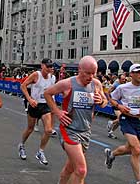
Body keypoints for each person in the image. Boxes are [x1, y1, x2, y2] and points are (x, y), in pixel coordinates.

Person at [43, 55, 108, 184]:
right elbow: (47, 93)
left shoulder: (96, 84)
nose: (90, 77)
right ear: (79, 70)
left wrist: (101, 101)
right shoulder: (68, 83)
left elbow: (105, 101)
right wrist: (57, 112)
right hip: (69, 130)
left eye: (93, 73)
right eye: (87, 73)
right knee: (81, 170)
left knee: (70, 167)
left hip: (85, 130)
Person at [104, 64, 140, 184]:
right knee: (137, 149)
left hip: (139, 121)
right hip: (126, 119)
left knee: (130, 149)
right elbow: (112, 99)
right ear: (131, 74)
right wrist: (119, 106)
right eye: (138, 72)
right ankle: (139, 181)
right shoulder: (123, 88)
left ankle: (111, 154)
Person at [18, 58, 55, 165]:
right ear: (42, 66)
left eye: (51, 66)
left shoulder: (52, 78)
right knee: (30, 129)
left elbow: (52, 92)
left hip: (45, 105)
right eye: (47, 66)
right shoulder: (36, 75)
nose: (49, 68)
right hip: (34, 105)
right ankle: (21, 145)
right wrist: (30, 99)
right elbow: (23, 85)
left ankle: (40, 151)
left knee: (48, 130)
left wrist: (54, 106)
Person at [106, 73, 127, 139]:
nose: (124, 80)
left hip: (122, 104)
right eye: (122, 79)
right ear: (119, 79)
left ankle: (111, 132)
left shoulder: (125, 84)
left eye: (124, 79)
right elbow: (108, 92)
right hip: (115, 103)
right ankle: (111, 122)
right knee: (120, 118)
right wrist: (110, 100)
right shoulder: (116, 84)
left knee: (120, 120)